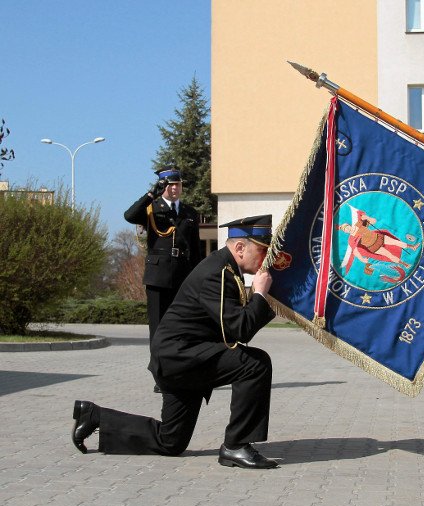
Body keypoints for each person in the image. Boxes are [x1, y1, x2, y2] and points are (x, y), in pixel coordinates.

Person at [71, 215, 279, 469]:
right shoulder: (218, 273)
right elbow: (240, 329)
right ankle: (236, 445)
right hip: (181, 357)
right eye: (263, 250)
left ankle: (94, 416)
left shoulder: (225, 269)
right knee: (255, 364)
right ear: (239, 248)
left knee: (171, 441)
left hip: (183, 357)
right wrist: (259, 293)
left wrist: (264, 297)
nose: (266, 258)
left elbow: (236, 325)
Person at [124, 167, 202, 342]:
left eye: (177, 184)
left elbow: (195, 248)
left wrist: (198, 277)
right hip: (158, 276)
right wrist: (151, 194)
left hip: (183, 275)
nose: (174, 188)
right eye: (169, 185)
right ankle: (158, 367)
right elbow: (129, 216)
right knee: (158, 326)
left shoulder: (190, 212)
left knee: (181, 324)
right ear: (162, 187)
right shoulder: (152, 208)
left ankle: (177, 363)